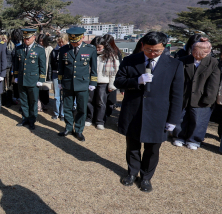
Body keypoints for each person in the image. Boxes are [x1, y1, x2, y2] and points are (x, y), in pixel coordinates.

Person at [115, 32, 183, 193]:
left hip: (158, 114)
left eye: (156, 51)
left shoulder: (174, 65)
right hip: (133, 110)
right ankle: (132, 173)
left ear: (164, 47)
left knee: (153, 149)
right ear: (142, 46)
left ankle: (146, 177)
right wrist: (136, 81)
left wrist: (173, 119)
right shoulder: (130, 60)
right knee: (132, 146)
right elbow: (118, 81)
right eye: (148, 50)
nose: (152, 54)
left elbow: (177, 94)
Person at [173, 40, 220, 150]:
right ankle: (179, 136)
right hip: (184, 95)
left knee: (199, 120)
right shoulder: (183, 61)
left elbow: (213, 83)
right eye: (195, 53)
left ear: (208, 52)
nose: (197, 56)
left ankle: (194, 139)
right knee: (181, 117)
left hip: (202, 97)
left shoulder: (214, 63)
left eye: (201, 54)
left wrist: (209, 98)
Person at [57, 27, 98, 142]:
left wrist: (93, 82)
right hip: (68, 83)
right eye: (72, 41)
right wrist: (60, 81)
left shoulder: (90, 49)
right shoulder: (64, 49)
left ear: (83, 38)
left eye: (76, 41)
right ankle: (69, 128)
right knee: (67, 107)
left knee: (81, 108)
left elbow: (94, 68)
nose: (74, 43)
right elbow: (61, 68)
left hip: (83, 83)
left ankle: (79, 130)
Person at [13, 28, 46, 129]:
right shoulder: (19, 49)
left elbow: (42, 66)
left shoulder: (39, 49)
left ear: (34, 37)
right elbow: (16, 64)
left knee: (33, 102)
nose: (26, 40)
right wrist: (15, 76)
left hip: (33, 80)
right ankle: (25, 118)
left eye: (28, 38)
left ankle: (32, 120)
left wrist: (41, 79)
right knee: (24, 101)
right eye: (25, 38)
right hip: (22, 79)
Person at [86, 36, 120, 130]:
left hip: (103, 82)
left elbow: (114, 72)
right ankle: (89, 118)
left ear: (104, 46)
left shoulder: (111, 56)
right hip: (90, 81)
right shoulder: (89, 54)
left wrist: (111, 85)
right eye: (95, 47)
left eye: (99, 47)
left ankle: (99, 121)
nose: (97, 49)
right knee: (89, 100)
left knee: (101, 102)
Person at [50, 33, 67, 120]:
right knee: (57, 95)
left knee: (64, 95)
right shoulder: (54, 51)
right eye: (59, 42)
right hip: (56, 74)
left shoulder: (69, 50)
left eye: (62, 42)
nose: (61, 44)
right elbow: (51, 63)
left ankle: (63, 114)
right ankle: (56, 113)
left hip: (66, 75)